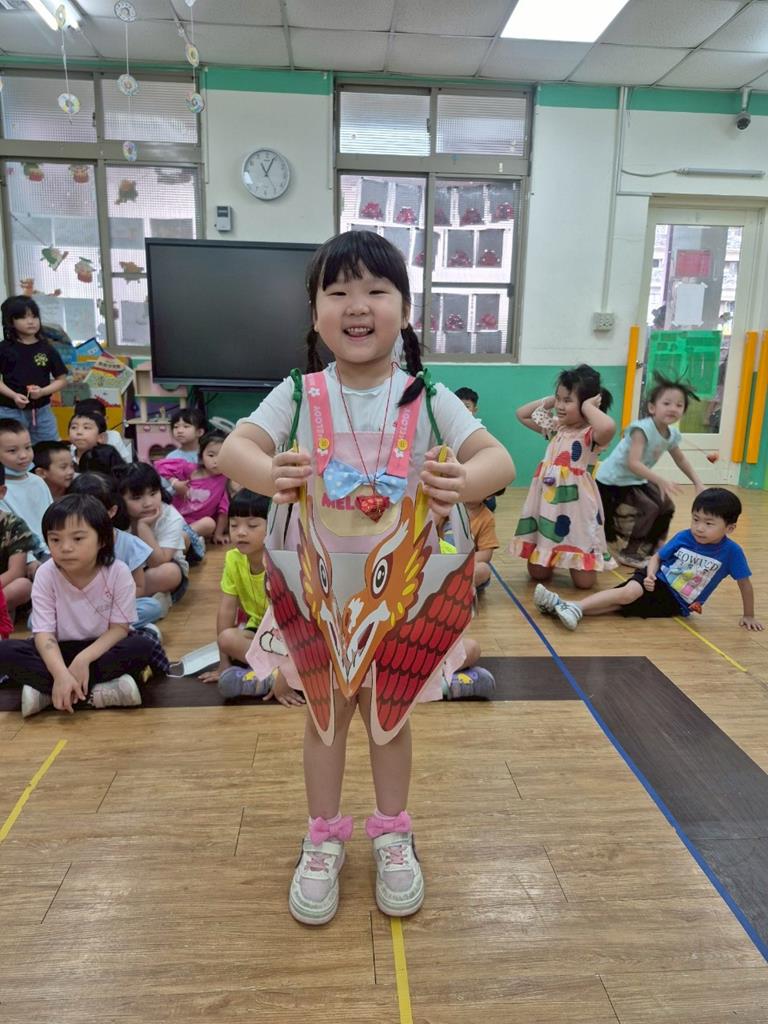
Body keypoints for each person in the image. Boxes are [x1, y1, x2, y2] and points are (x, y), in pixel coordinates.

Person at [219, 230, 514, 926]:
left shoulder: (429, 395)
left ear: (405, 310)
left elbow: (497, 460)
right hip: (317, 595)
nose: (357, 304)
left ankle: (392, 833)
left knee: (389, 717)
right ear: (315, 313)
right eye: (338, 291)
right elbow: (235, 450)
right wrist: (270, 471)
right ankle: (322, 838)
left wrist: (461, 480)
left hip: (400, 597)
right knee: (324, 718)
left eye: (376, 290)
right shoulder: (298, 393)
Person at [0, 494, 166, 718]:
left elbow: (119, 628)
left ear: (102, 539)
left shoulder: (118, 572)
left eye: (78, 538)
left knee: (141, 646)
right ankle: (96, 691)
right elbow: (44, 633)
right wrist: (60, 673)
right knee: (5, 651)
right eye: (55, 540)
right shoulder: (46, 574)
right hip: (58, 650)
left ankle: (48, 693)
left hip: (100, 648)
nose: (65, 548)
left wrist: (83, 659)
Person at [533, 488, 763, 632]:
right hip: (655, 579)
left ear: (730, 528)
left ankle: (562, 606)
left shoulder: (732, 553)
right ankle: (575, 607)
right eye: (696, 519)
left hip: (675, 603)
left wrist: (749, 615)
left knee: (621, 605)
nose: (699, 528)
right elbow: (657, 558)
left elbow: (745, 584)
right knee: (628, 593)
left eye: (709, 523)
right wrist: (651, 574)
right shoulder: (684, 537)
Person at [511, 364, 616, 590]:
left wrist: (587, 406)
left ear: (588, 404)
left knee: (584, 583)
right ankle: (552, 554)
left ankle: (575, 557)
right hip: (548, 505)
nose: (559, 406)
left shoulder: (591, 434)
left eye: (567, 400)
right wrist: (554, 399)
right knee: (537, 574)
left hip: (578, 508)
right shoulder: (556, 428)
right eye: (559, 399)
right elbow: (522, 413)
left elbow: (608, 426)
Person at [198, 488, 304, 705]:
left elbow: (298, 625)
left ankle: (279, 676)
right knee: (227, 638)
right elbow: (226, 610)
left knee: (310, 654)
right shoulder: (233, 559)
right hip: (262, 634)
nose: (241, 532)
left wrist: (285, 675)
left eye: (252, 525)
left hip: (294, 638)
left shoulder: (282, 560)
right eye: (234, 525)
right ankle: (274, 675)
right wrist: (224, 664)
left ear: (272, 526)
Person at [597, 374, 704, 569]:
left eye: (679, 405)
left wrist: (698, 482)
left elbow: (680, 459)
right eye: (667, 403)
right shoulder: (642, 429)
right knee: (649, 508)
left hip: (635, 479)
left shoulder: (671, 435)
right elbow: (633, 463)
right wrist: (660, 480)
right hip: (613, 480)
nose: (673, 408)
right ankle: (630, 553)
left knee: (667, 506)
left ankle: (654, 549)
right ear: (652, 407)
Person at [68, 472, 165, 629]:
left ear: (112, 511)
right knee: (34, 619)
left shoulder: (128, 544)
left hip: (114, 607)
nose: (85, 519)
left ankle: (96, 629)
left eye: (92, 513)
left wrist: (105, 604)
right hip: (78, 607)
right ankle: (112, 629)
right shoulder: (66, 545)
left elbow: (139, 587)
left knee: (151, 607)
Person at [115, 462, 189, 613]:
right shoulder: (116, 516)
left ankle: (124, 600)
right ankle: (149, 599)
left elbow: (158, 561)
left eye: (153, 493)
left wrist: (143, 527)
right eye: (137, 497)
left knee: (170, 573)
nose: (148, 503)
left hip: (156, 568)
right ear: (120, 499)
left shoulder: (170, 516)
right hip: (127, 573)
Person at [0, 296, 68, 443]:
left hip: (42, 411)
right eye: (23, 317)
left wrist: (43, 392)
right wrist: (14, 396)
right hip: (9, 410)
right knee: (12, 448)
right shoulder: (3, 349)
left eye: (34, 316)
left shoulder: (47, 348)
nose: (31, 321)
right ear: (10, 321)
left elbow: (62, 380)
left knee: (49, 448)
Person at [155, 429, 230, 542]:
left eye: (222, 456)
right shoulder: (191, 469)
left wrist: (218, 534)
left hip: (196, 525)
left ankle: (178, 540)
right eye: (211, 455)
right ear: (201, 457)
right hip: (173, 518)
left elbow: (224, 510)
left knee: (209, 524)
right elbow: (160, 465)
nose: (216, 461)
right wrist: (175, 483)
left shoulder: (225, 480)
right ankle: (178, 540)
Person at [0, 418, 52, 559]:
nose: (23, 455)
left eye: (28, 447)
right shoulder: (2, 489)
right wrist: (29, 560)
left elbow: (52, 519)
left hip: (51, 550)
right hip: (19, 557)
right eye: (12, 451)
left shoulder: (38, 481)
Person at [0, 463, 37, 621]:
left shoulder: (14, 525)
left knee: (23, 585)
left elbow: (16, 571)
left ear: (2, 492)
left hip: (3, 587)